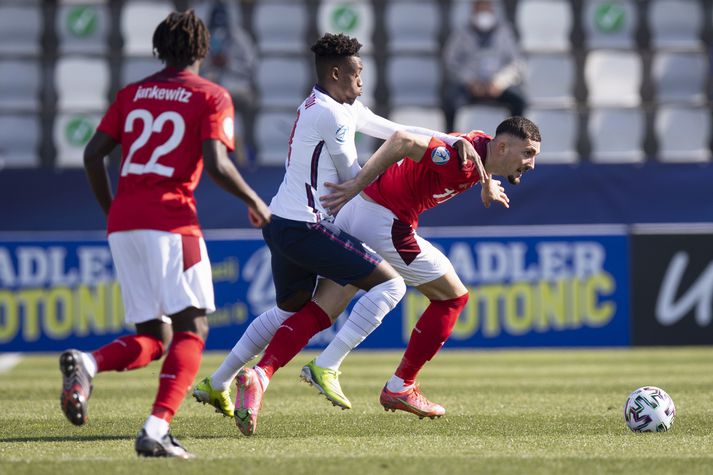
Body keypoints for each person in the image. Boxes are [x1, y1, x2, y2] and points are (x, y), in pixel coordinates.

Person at [191, 32, 481, 435]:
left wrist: (455, 140)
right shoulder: (331, 114)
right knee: (391, 285)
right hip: (306, 226)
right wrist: (380, 176)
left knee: (289, 312)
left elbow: (390, 127)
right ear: (335, 72)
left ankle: (218, 381)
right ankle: (326, 366)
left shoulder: (330, 105)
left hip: (281, 223)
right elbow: (352, 177)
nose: (362, 79)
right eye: (356, 71)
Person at [58, 10, 271, 459]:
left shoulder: (131, 93)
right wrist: (254, 199)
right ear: (203, 50)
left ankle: (88, 363)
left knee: (157, 338)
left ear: (157, 49)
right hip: (172, 221)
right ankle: (156, 429)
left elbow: (93, 155)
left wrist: (112, 209)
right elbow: (216, 163)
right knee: (193, 328)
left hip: (125, 223)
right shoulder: (211, 95)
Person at [307, 116, 540, 418]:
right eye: (528, 153)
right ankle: (400, 386)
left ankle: (259, 372)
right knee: (452, 297)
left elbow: (473, 148)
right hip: (386, 220)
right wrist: (356, 182)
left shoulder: (479, 144)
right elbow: (403, 141)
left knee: (324, 307)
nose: (531, 163)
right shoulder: (461, 161)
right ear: (504, 146)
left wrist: (486, 185)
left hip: (362, 210)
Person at [443, 0, 527, 131]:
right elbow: (450, 62)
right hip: (469, 87)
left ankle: (514, 137)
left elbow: (516, 63)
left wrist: (499, 82)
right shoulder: (461, 33)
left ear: (492, 11)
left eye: (486, 10)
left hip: (497, 86)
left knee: (519, 101)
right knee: (450, 101)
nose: (483, 14)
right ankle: (451, 141)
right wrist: (470, 81)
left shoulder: (505, 32)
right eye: (479, 10)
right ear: (473, 11)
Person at [194, 0, 259, 168]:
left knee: (230, 103)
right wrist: (212, 66)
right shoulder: (203, 38)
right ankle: (207, 156)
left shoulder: (240, 38)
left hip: (237, 86)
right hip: (213, 87)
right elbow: (197, 69)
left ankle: (241, 154)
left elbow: (250, 67)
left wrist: (228, 63)